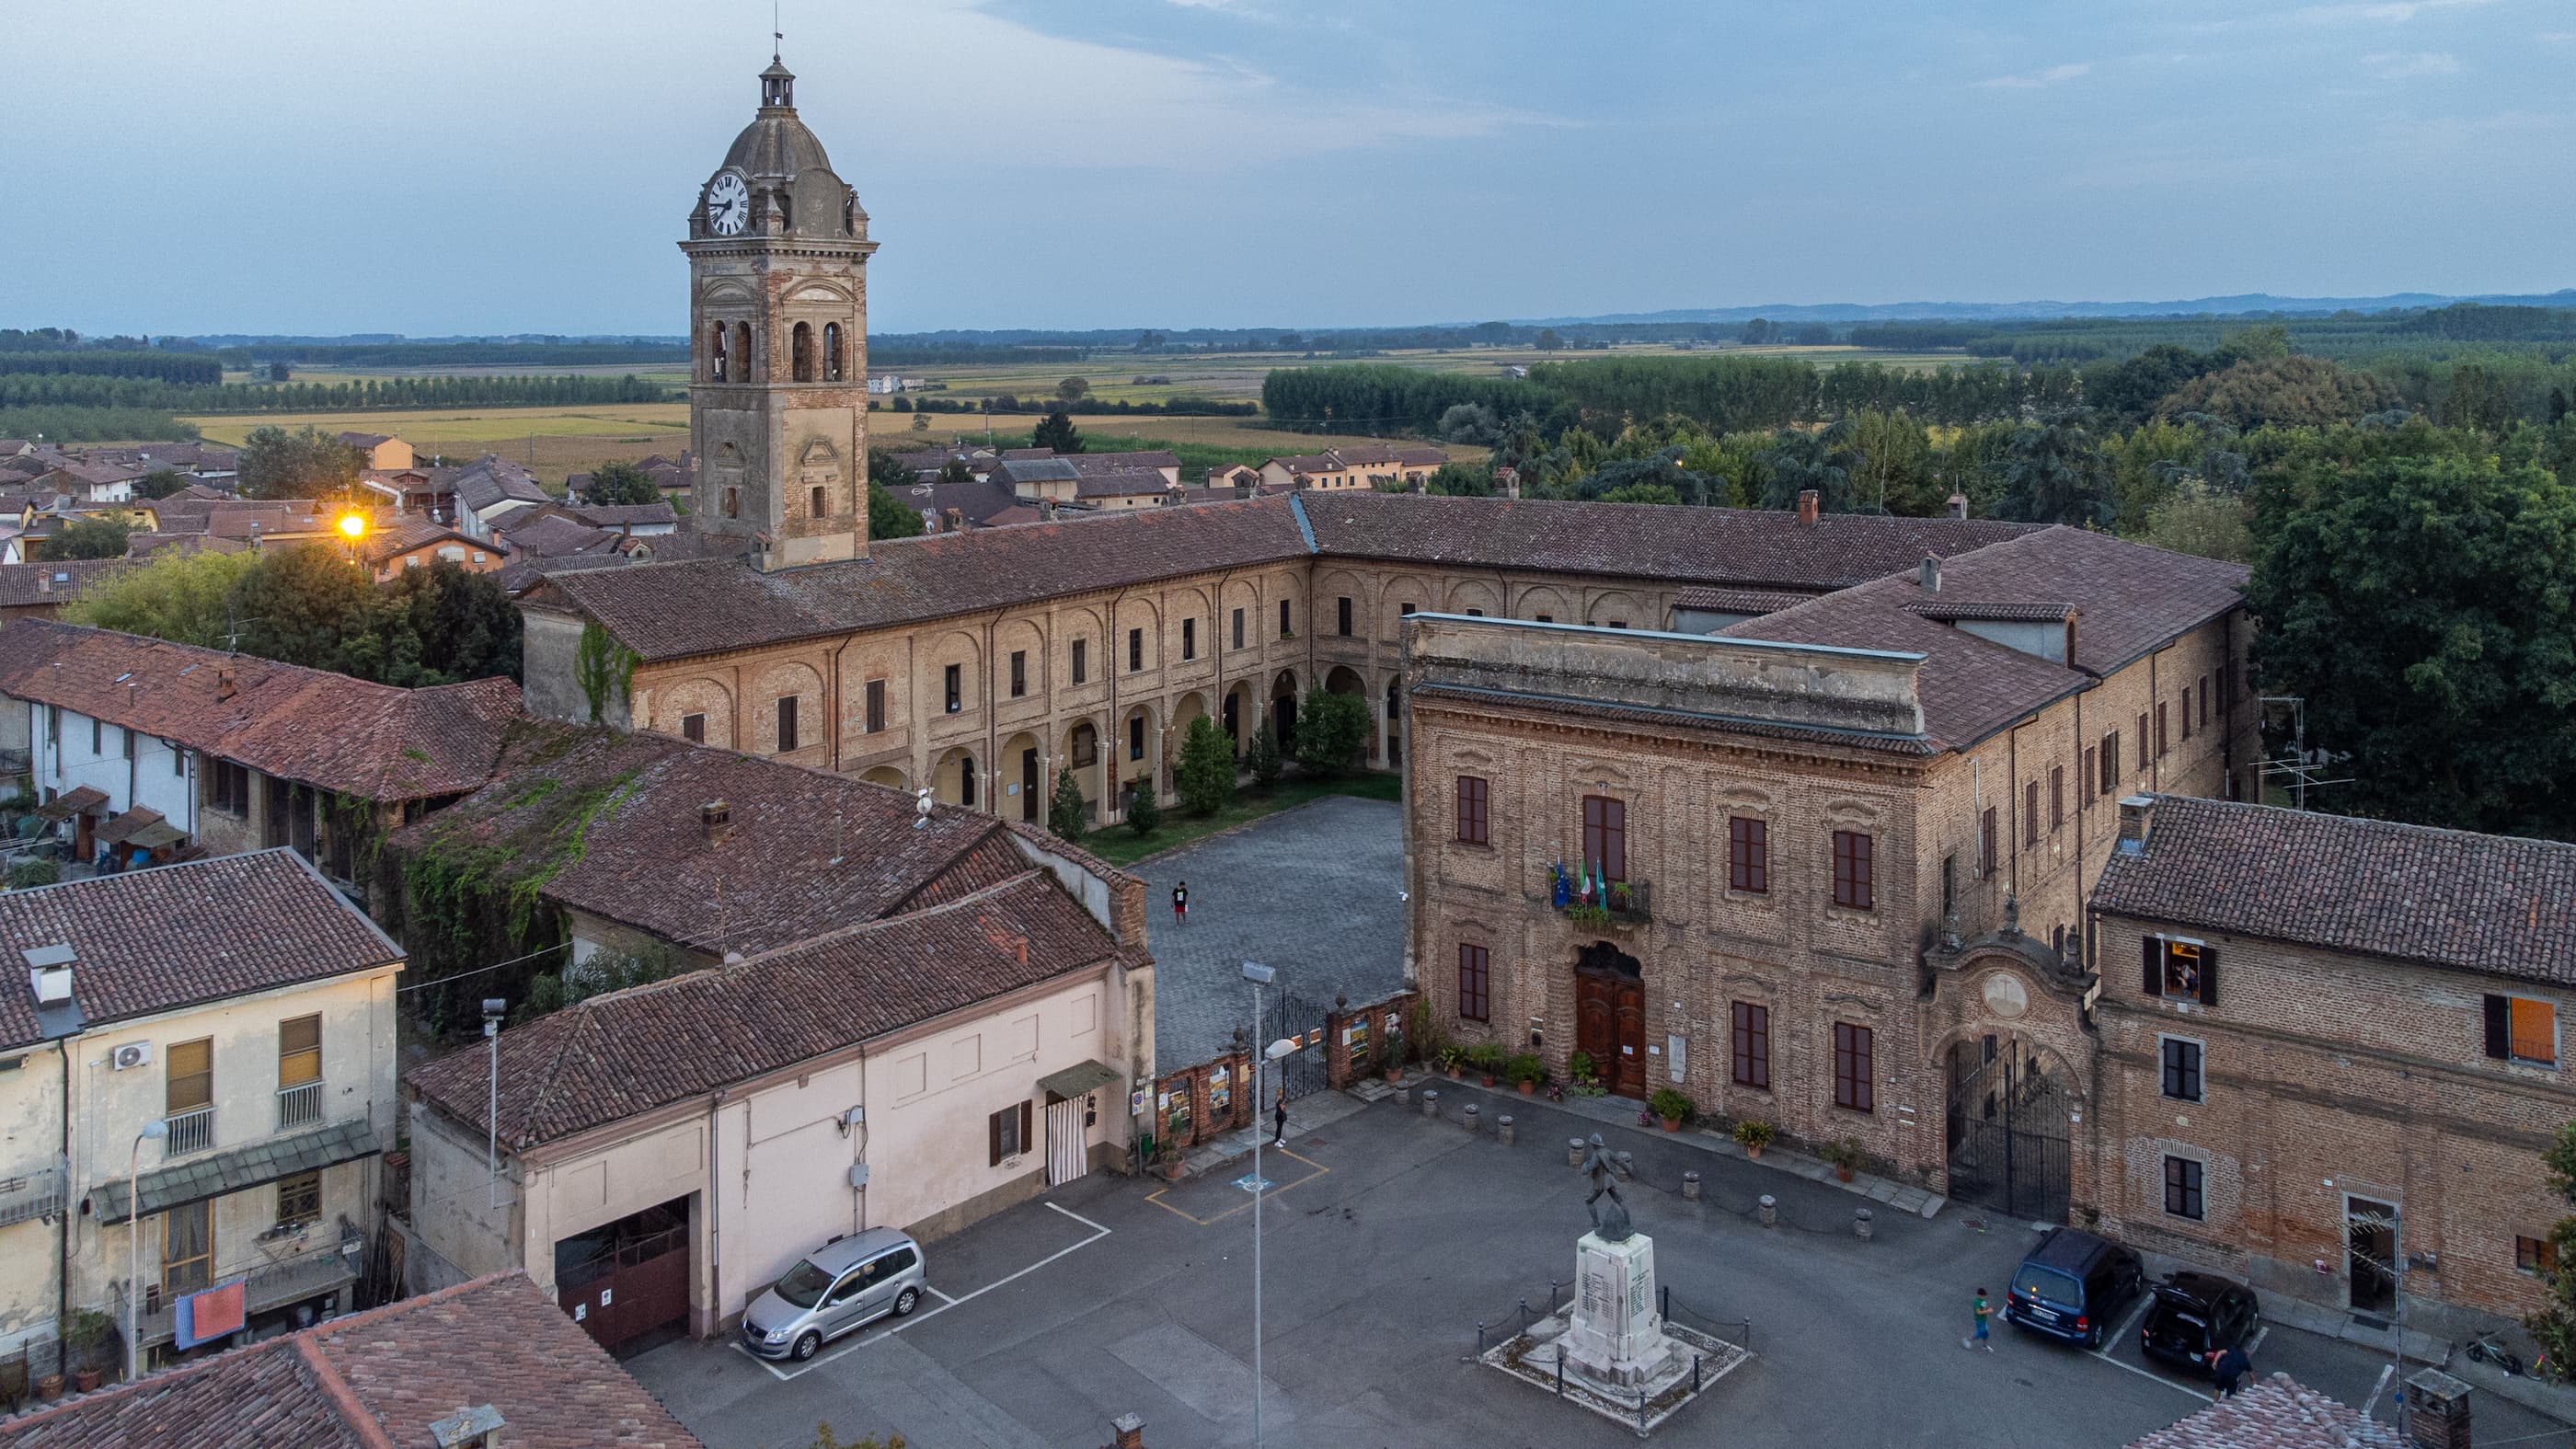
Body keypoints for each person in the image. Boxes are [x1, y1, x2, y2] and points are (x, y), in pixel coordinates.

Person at [1961, 1288, 1994, 1352]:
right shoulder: (1977, 1302)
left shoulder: (1983, 1301)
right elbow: (1978, 1312)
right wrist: (1988, 1311)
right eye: (1983, 1296)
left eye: (1985, 1297)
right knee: (1979, 1333)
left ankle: (1985, 1346)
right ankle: (1967, 1340)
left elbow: (1984, 1308)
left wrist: (1988, 1309)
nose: (1984, 1298)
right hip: (1979, 1321)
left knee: (1986, 1333)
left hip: (1984, 1320)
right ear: (1979, 1295)